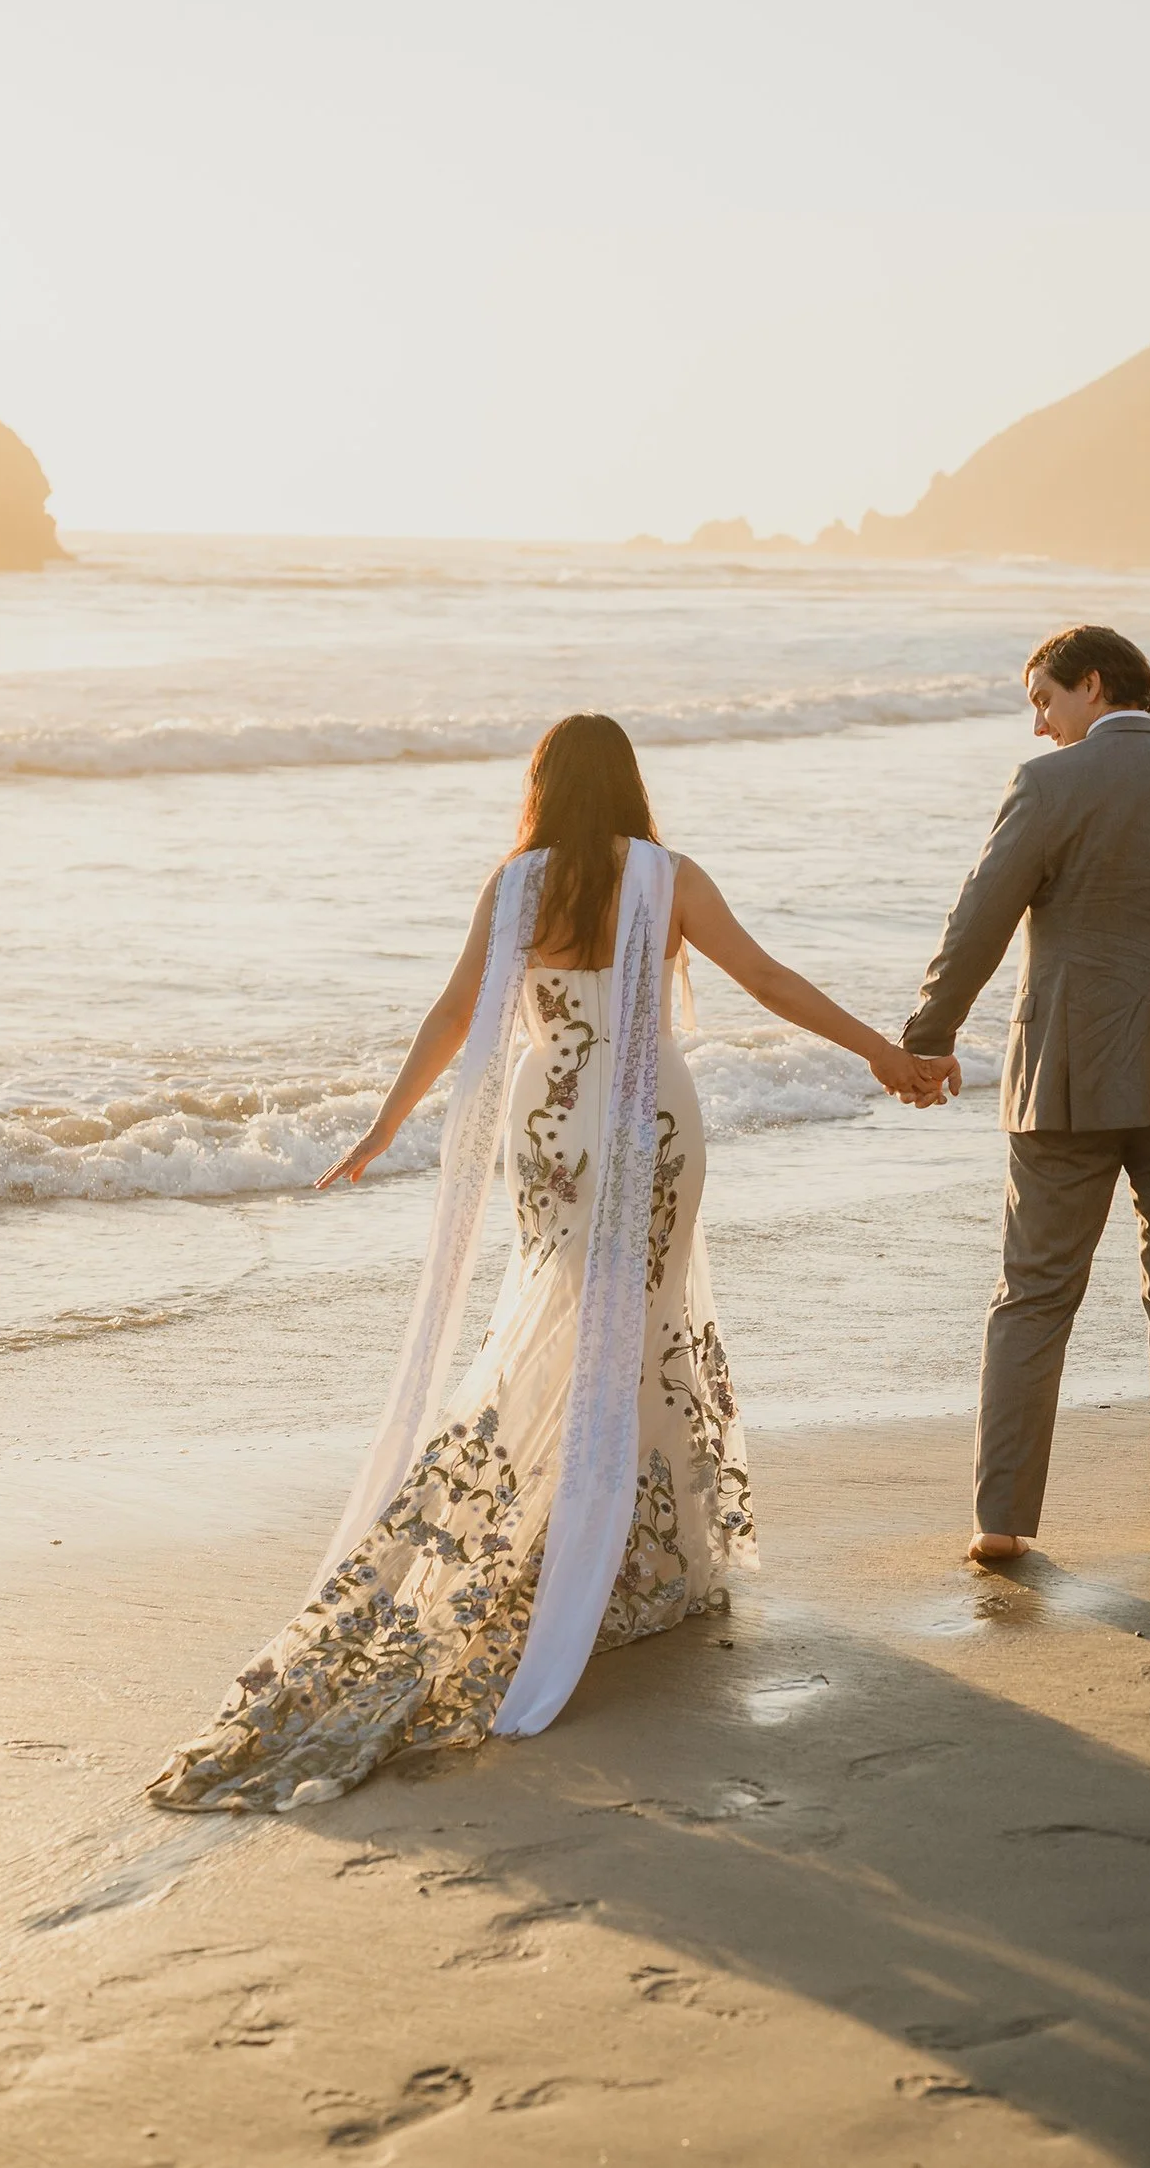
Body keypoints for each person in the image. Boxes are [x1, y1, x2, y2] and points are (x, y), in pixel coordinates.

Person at [149, 713, 951, 1812]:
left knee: (561, 1314)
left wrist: (388, 1126)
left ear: (542, 786)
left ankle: (575, 1538)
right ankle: (628, 1557)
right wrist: (882, 1054)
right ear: (628, 783)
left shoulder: (517, 884)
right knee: (639, 1321)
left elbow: (452, 1010)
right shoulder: (666, 876)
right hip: (649, 1122)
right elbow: (763, 979)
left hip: (550, 1125)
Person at [899, 625, 1150, 1564]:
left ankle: (1002, 1522)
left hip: (1066, 1080)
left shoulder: (1047, 786)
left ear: (1089, 685)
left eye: (1042, 699)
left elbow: (980, 917)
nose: (1037, 725)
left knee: (1033, 1296)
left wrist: (928, 1036)